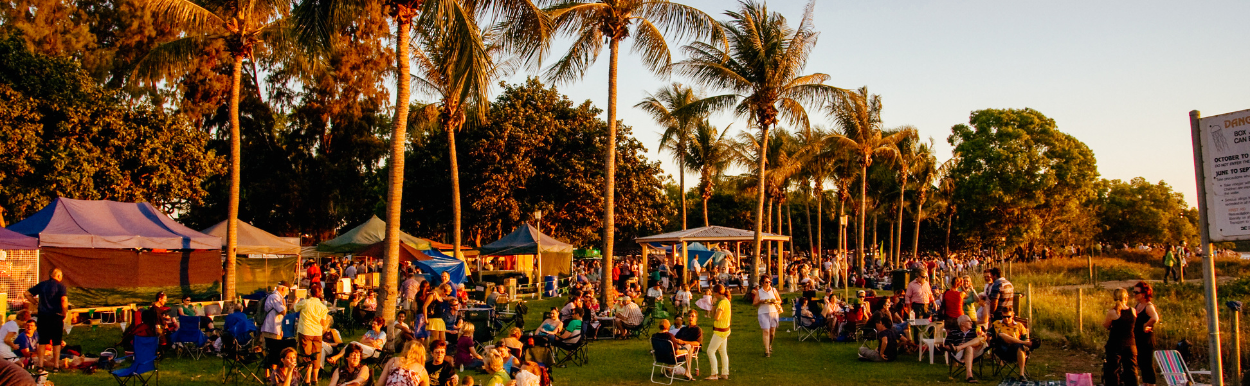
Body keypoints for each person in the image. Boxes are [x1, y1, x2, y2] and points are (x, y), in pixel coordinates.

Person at [24, 268, 68, 372]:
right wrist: (64, 312)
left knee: (42, 341)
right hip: (56, 316)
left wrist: (35, 303)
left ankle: (40, 365)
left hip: (43, 316)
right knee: (56, 342)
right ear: (58, 276)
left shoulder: (42, 285)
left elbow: (27, 293)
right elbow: (63, 299)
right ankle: (56, 366)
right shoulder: (61, 286)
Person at [1103, 288, 1139, 386]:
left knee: (1113, 370)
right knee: (1131, 370)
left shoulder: (1112, 312)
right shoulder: (1133, 311)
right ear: (1126, 298)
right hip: (1130, 343)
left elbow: (1106, 325)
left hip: (1115, 344)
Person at [295, 285, 330, 382]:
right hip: (317, 332)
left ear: (310, 293)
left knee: (307, 355)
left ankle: (307, 379)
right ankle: (315, 378)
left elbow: (294, 308)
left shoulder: (305, 303)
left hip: (305, 331)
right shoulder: (323, 307)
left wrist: (296, 300)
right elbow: (323, 322)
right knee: (317, 355)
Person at [991, 309, 1037, 381]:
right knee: (1001, 334)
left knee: (1020, 347)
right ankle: (1023, 344)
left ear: (1012, 315)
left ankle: (1021, 375)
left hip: (1015, 350)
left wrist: (1025, 343)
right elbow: (988, 335)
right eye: (1004, 317)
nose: (1006, 319)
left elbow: (1025, 338)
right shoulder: (996, 324)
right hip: (1002, 349)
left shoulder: (1019, 325)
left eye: (1008, 316)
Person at [942, 315, 986, 383]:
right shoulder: (953, 332)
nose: (971, 323)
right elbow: (946, 345)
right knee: (969, 348)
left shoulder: (975, 330)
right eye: (969, 321)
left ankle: (960, 347)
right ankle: (969, 375)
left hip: (975, 352)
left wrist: (983, 335)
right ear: (962, 323)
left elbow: (983, 339)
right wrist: (952, 347)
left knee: (979, 339)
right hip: (960, 354)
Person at [1133, 282, 1160, 386]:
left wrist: (1146, 324)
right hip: (1138, 338)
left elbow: (1155, 318)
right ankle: (1145, 383)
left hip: (1146, 339)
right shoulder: (1138, 305)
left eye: (1137, 292)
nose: (1134, 294)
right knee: (1141, 363)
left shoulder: (1148, 306)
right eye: (1134, 292)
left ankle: (1151, 383)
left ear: (1144, 294)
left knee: (1147, 363)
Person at [705, 284, 731, 381]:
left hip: (720, 331)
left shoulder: (722, 303)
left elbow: (716, 317)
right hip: (725, 329)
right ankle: (725, 373)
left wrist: (713, 304)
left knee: (710, 351)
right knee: (723, 352)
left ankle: (714, 373)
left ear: (717, 293)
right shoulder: (726, 301)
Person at [752, 275, 781, 357]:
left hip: (773, 312)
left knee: (772, 332)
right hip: (763, 313)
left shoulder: (773, 290)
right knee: (766, 331)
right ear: (762, 283)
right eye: (766, 282)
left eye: (769, 282)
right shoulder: (759, 292)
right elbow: (754, 303)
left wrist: (775, 302)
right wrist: (760, 301)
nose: (768, 283)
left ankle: (769, 345)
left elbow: (779, 300)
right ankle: (766, 350)